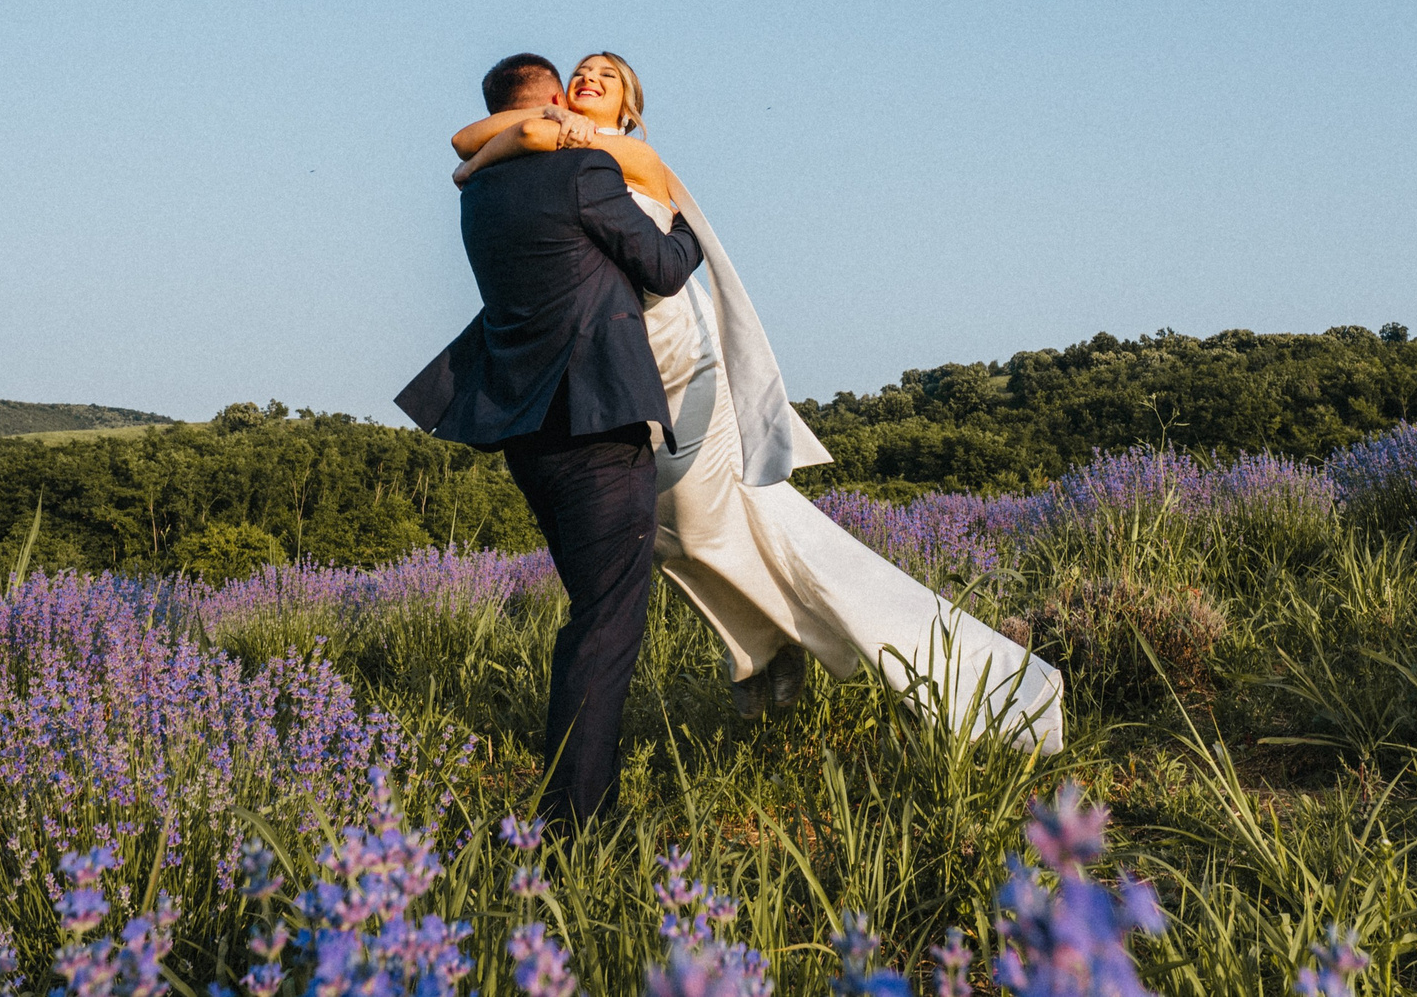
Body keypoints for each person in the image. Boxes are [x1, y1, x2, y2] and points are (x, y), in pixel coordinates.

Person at [447, 51, 1064, 754]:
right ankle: (774, 649)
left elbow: (496, 140)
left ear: (628, 109)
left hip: (680, 363)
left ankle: (972, 679)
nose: (589, 79)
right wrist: (508, 139)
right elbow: (472, 137)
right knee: (688, 541)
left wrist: (492, 153)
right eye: (581, 71)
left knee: (726, 530)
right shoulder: (564, 151)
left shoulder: (622, 154)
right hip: (627, 373)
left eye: (607, 76)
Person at [395, 51, 705, 826]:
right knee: (605, 625)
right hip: (597, 420)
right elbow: (664, 267)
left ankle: (574, 802)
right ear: (555, 100)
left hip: (525, 433)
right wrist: (693, 227)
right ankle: (577, 822)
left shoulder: (479, 193)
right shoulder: (584, 169)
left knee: (590, 617)